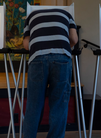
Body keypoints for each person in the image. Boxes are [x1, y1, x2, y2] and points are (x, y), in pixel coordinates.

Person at [22, 8, 78, 138]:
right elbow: (74, 39)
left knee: (33, 105)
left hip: (38, 57)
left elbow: (26, 45)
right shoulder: (67, 15)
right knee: (59, 104)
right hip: (62, 58)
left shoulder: (31, 16)